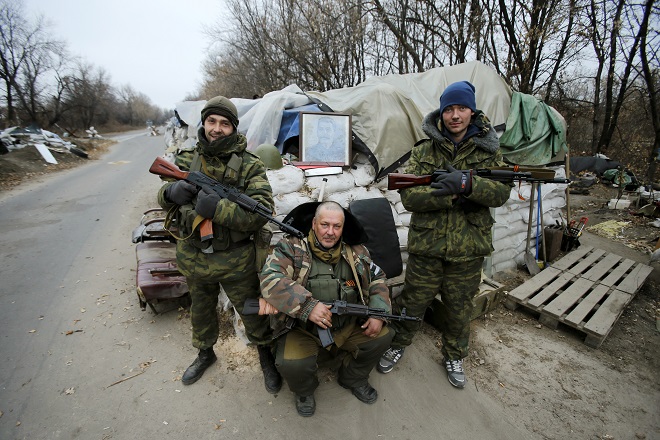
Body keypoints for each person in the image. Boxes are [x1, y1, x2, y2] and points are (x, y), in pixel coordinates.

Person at [377, 81, 511, 389]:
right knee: (413, 302)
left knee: (459, 308)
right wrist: (448, 195)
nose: (454, 115)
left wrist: (468, 186)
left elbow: (502, 193)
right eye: (449, 109)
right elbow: (409, 197)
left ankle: (454, 354)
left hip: (469, 248)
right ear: (441, 113)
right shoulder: (425, 152)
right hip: (428, 246)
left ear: (472, 112)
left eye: (461, 108)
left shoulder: (489, 152)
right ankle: (399, 344)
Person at [156, 96, 282, 394]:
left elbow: (262, 212)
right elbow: (162, 195)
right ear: (204, 123)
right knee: (201, 310)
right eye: (212, 121)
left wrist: (218, 209)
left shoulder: (250, 165)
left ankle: (265, 355)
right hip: (194, 257)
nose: (217, 128)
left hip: (235, 259)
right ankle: (205, 353)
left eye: (225, 123)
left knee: (251, 310)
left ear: (233, 128)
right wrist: (171, 191)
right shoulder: (187, 158)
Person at [257, 201, 394, 416]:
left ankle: (353, 378)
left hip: (348, 325)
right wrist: (307, 306)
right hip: (302, 329)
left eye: (337, 226)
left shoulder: (356, 250)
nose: (330, 232)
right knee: (291, 364)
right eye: (325, 225)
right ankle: (304, 391)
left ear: (343, 227)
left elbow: (377, 278)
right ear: (313, 223)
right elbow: (270, 278)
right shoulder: (291, 247)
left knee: (383, 337)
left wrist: (379, 313)